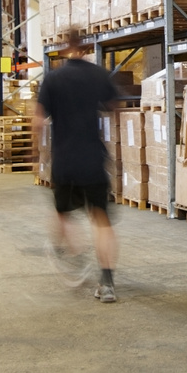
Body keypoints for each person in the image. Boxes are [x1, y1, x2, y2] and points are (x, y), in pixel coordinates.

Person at [33, 30, 122, 302]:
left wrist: (35, 154)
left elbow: (37, 121)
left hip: (65, 161)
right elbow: (114, 107)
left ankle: (75, 252)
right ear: (84, 47)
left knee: (63, 213)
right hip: (92, 159)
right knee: (101, 220)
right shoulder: (97, 74)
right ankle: (106, 282)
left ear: (64, 47)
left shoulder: (53, 78)